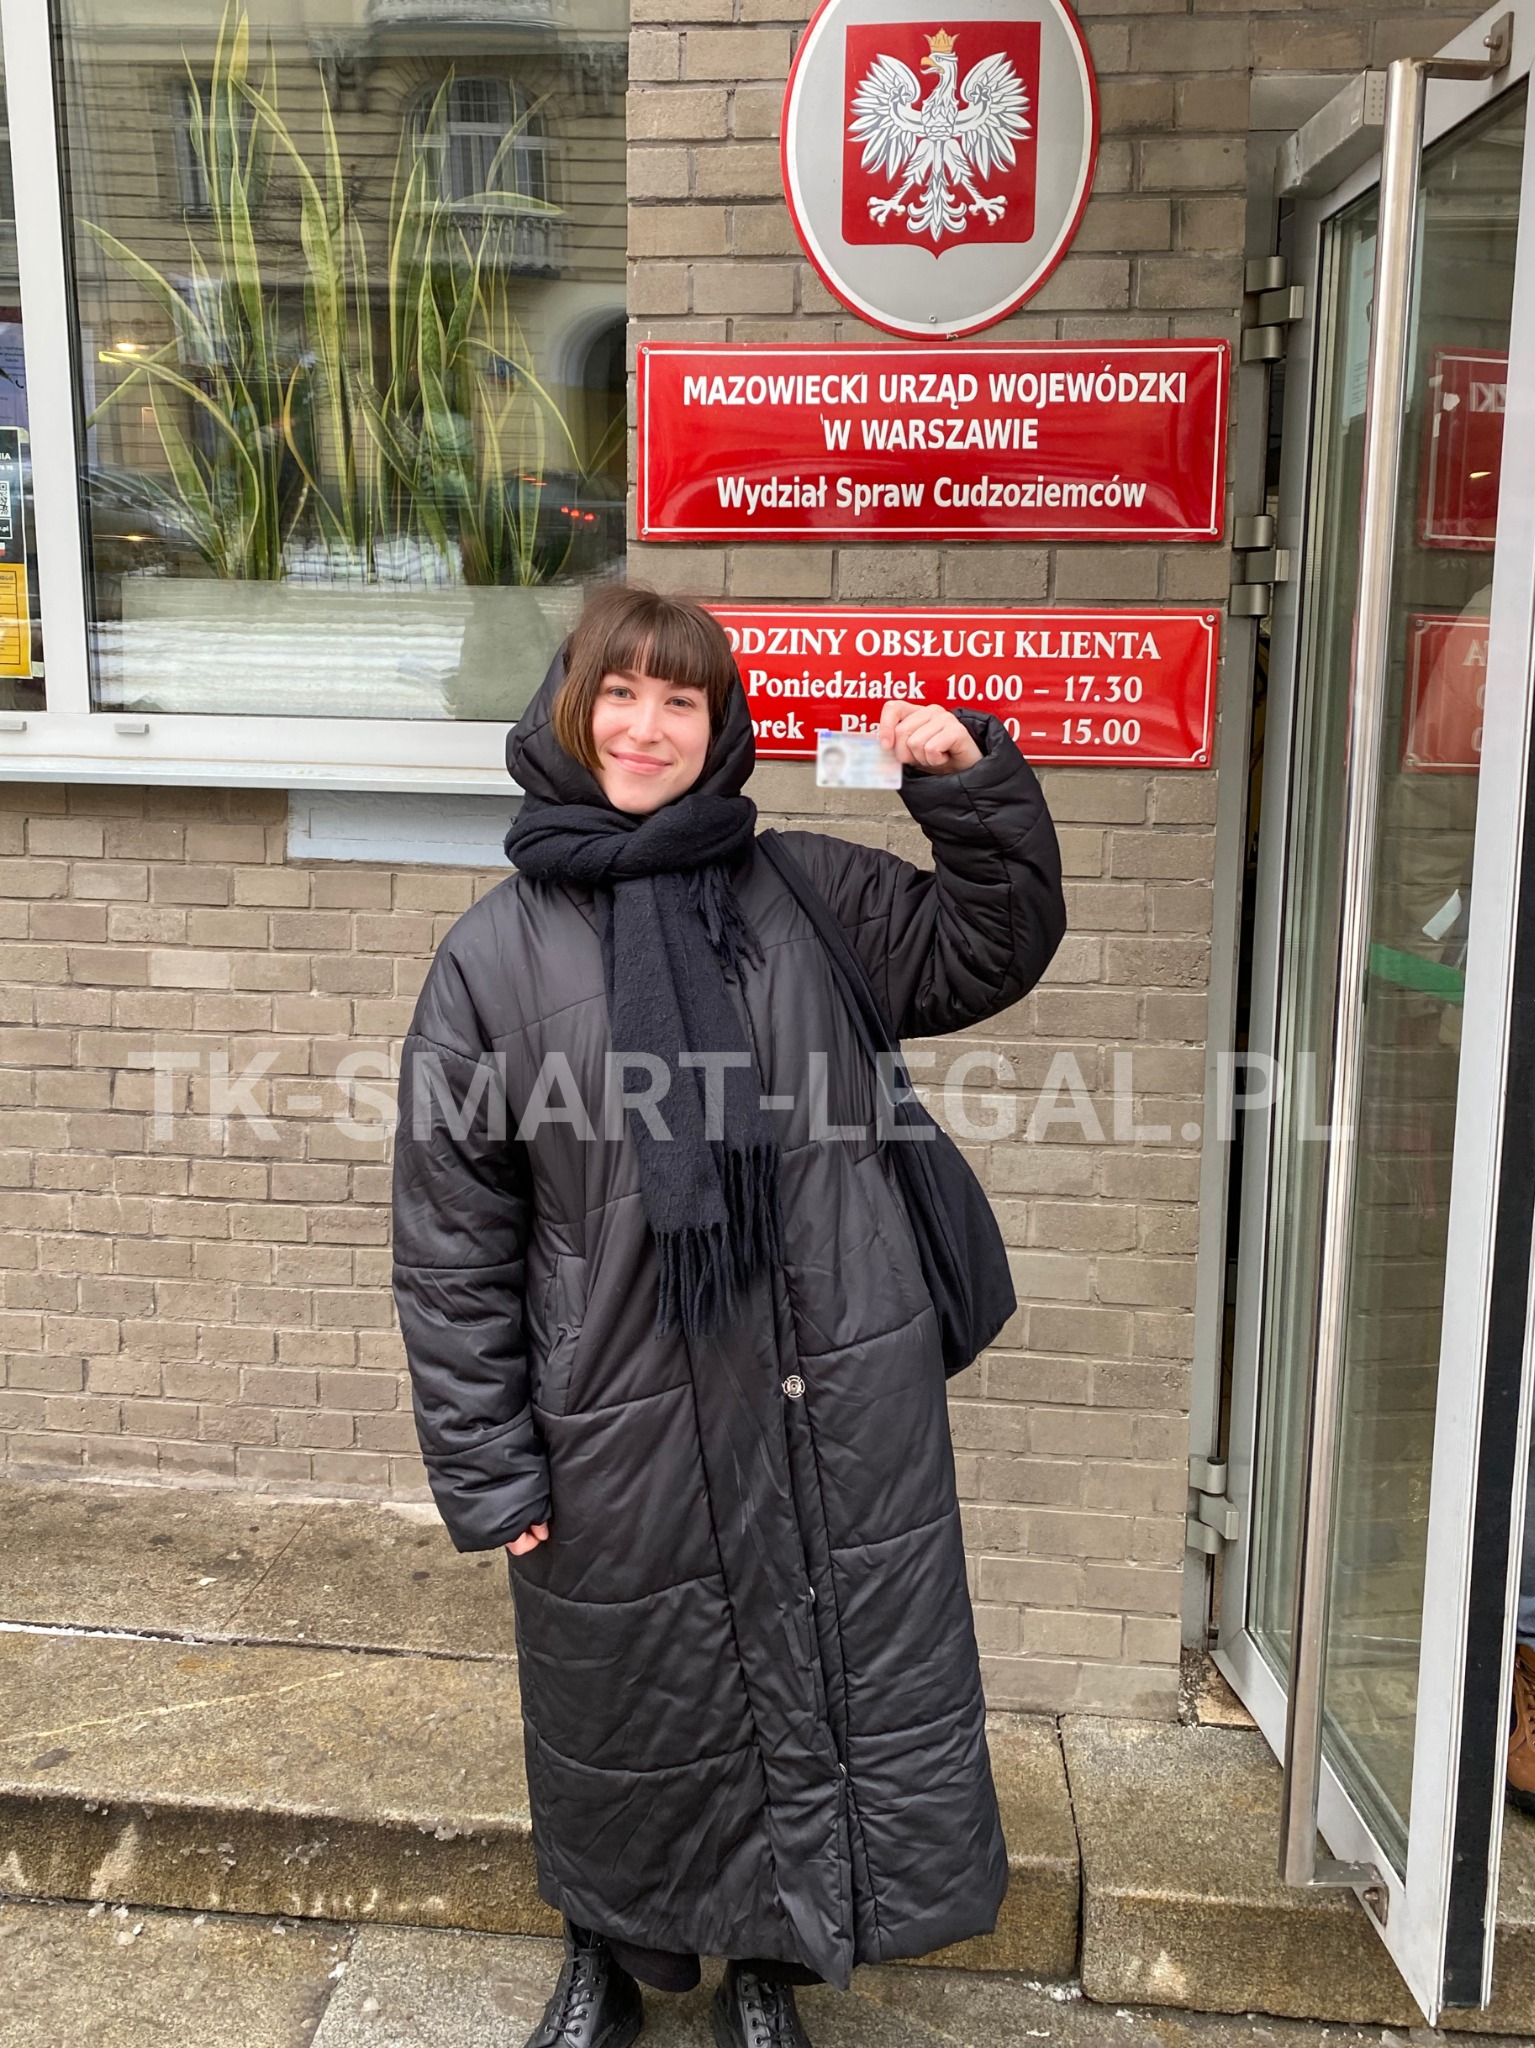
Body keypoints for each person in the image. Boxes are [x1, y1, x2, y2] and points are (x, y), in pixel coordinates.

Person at [391, 585, 1066, 2048]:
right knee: (622, 1703)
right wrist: (490, 1463)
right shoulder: (491, 958)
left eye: (680, 702)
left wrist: (967, 786)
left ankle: (772, 1963)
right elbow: (452, 1238)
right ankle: (607, 1951)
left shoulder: (805, 892)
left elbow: (990, 945)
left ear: (719, 727)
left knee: (816, 1672)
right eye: (620, 695)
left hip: (828, 1378)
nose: (647, 728)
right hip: (613, 1406)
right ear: (573, 713)